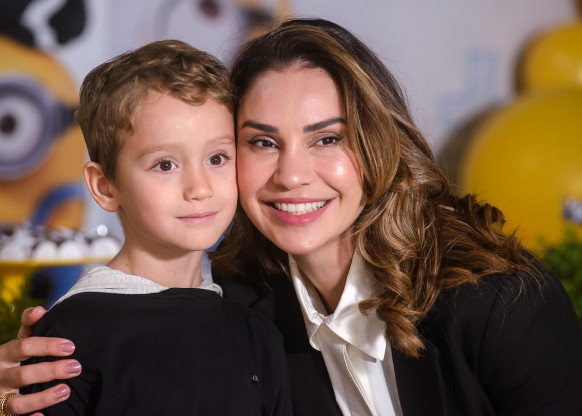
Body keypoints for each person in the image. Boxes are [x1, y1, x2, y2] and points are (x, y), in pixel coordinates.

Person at [1, 17, 582, 416]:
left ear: (378, 143)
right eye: (262, 142)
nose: (292, 175)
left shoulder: (500, 306)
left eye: (327, 139)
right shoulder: (233, 310)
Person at [1, 40, 291, 416]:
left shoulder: (258, 334)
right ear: (105, 186)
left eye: (217, 158)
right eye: (165, 165)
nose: (200, 188)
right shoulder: (69, 334)